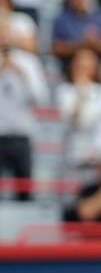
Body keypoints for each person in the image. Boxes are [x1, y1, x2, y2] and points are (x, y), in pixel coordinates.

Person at [57, 48, 101, 176]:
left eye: (89, 62)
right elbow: (75, 122)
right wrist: (81, 92)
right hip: (79, 156)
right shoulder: (65, 90)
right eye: (81, 63)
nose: (85, 66)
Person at [0, 41, 41, 200]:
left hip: (21, 135)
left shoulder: (29, 62)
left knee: (25, 190)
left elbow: (39, 98)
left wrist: (22, 75)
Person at [51, 0, 101, 72]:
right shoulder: (62, 20)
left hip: (95, 73)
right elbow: (55, 49)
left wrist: (95, 43)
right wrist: (80, 44)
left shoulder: (99, 18)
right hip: (69, 71)